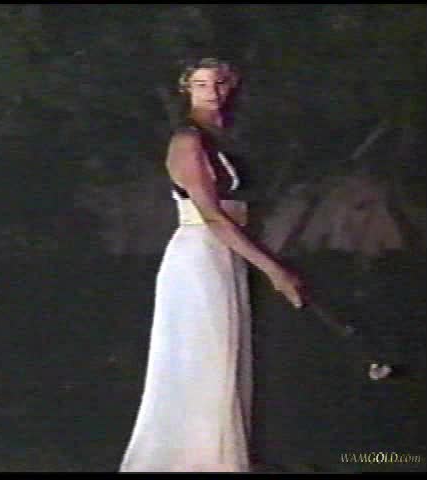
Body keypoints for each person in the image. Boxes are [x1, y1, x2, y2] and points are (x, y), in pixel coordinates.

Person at [119, 57, 306, 472]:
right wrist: (274, 270)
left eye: (219, 83)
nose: (213, 92)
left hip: (226, 253)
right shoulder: (188, 140)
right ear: (187, 89)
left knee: (226, 357)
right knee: (204, 358)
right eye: (202, 85)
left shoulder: (221, 140)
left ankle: (221, 457)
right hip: (200, 254)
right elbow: (212, 216)